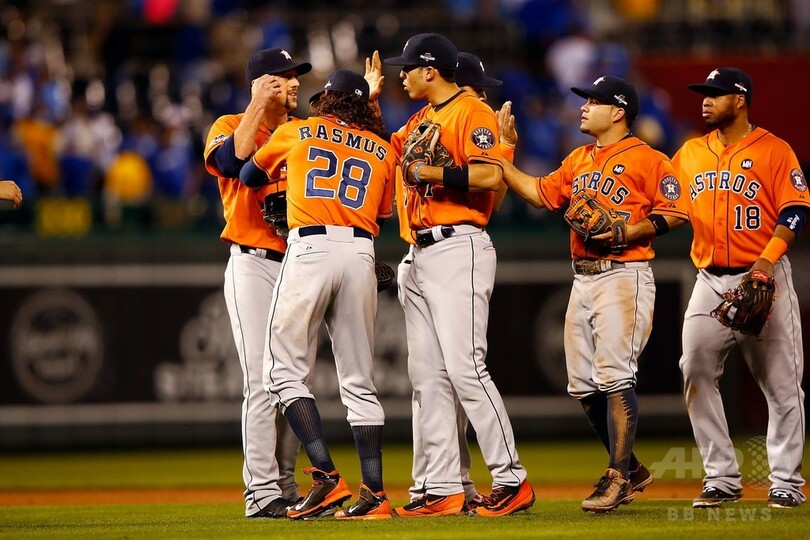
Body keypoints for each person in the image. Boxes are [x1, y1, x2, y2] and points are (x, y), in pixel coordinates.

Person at [499, 75, 689, 513]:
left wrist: (629, 230)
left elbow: (677, 211)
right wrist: (501, 155)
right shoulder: (579, 158)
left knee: (615, 375)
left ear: (618, 111)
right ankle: (632, 468)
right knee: (582, 385)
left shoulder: (648, 159)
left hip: (623, 275)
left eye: (593, 101)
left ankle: (617, 476)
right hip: (582, 277)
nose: (583, 107)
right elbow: (539, 194)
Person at [383, 33, 534, 517]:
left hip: (457, 246)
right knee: (427, 378)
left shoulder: (471, 111)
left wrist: (433, 174)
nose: (401, 75)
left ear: (430, 70)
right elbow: (386, 154)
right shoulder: (421, 120)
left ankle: (511, 479)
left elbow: (489, 177)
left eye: (407, 67)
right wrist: (364, 101)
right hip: (419, 251)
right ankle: (444, 486)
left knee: (466, 367)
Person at [240, 69, 396, 520]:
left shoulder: (299, 130)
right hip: (361, 252)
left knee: (281, 371)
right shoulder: (383, 149)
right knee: (360, 382)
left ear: (326, 101)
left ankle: (326, 476)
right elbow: (382, 212)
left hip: (310, 246)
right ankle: (374, 493)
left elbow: (249, 174)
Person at [674, 67, 807, 509]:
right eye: (704, 93)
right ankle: (722, 477)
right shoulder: (690, 153)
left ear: (740, 99)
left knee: (782, 385)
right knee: (694, 368)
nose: (705, 100)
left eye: (715, 94)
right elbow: (667, 203)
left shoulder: (774, 150)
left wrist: (766, 262)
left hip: (763, 275)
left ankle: (786, 481)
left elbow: (795, 211)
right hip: (709, 279)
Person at [202, 47, 311, 519]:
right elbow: (231, 163)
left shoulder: (300, 132)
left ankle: (285, 486)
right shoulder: (229, 123)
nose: (293, 83)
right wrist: (256, 104)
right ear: (259, 83)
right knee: (262, 381)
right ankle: (261, 492)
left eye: (295, 76)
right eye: (282, 77)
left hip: (299, 262)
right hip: (253, 263)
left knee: (293, 382)